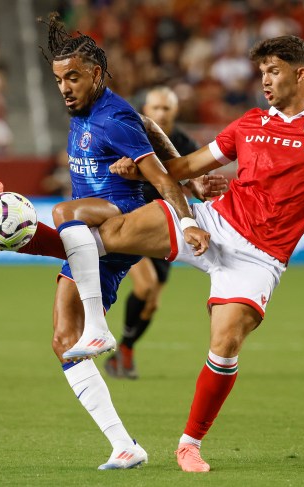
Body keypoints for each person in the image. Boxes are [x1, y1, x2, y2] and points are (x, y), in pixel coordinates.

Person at [0, 35, 304, 473]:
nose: (265, 81)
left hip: (260, 257)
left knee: (225, 345)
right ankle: (25, 246)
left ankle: (189, 444)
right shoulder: (249, 124)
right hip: (215, 222)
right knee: (106, 231)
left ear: (301, 74)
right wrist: (140, 167)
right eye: (261, 73)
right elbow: (186, 166)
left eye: (273, 72)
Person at [0, 14, 225, 471]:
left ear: (94, 74)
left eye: (72, 77)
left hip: (121, 221)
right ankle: (123, 445)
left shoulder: (114, 117)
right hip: (89, 239)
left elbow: (158, 174)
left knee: (64, 214)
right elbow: (153, 128)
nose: (64, 88)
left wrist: (187, 215)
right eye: (58, 80)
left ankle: (98, 324)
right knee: (61, 339)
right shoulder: (84, 114)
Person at [104, 86, 200, 380]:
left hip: (164, 224)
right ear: (145, 109)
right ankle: (100, 338)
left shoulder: (183, 142)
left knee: (153, 301)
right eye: (155, 108)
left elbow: (195, 178)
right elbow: (106, 167)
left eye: (166, 109)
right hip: (131, 218)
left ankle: (125, 350)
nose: (161, 113)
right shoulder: (130, 134)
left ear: (175, 111)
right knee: (145, 286)